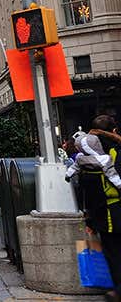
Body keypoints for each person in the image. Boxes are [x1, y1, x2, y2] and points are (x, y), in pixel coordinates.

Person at [80, 115, 121, 300]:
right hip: (113, 209)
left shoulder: (87, 158)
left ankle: (117, 289)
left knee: (113, 251)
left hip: (104, 213)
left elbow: (87, 190)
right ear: (114, 130)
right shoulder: (115, 151)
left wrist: (90, 219)